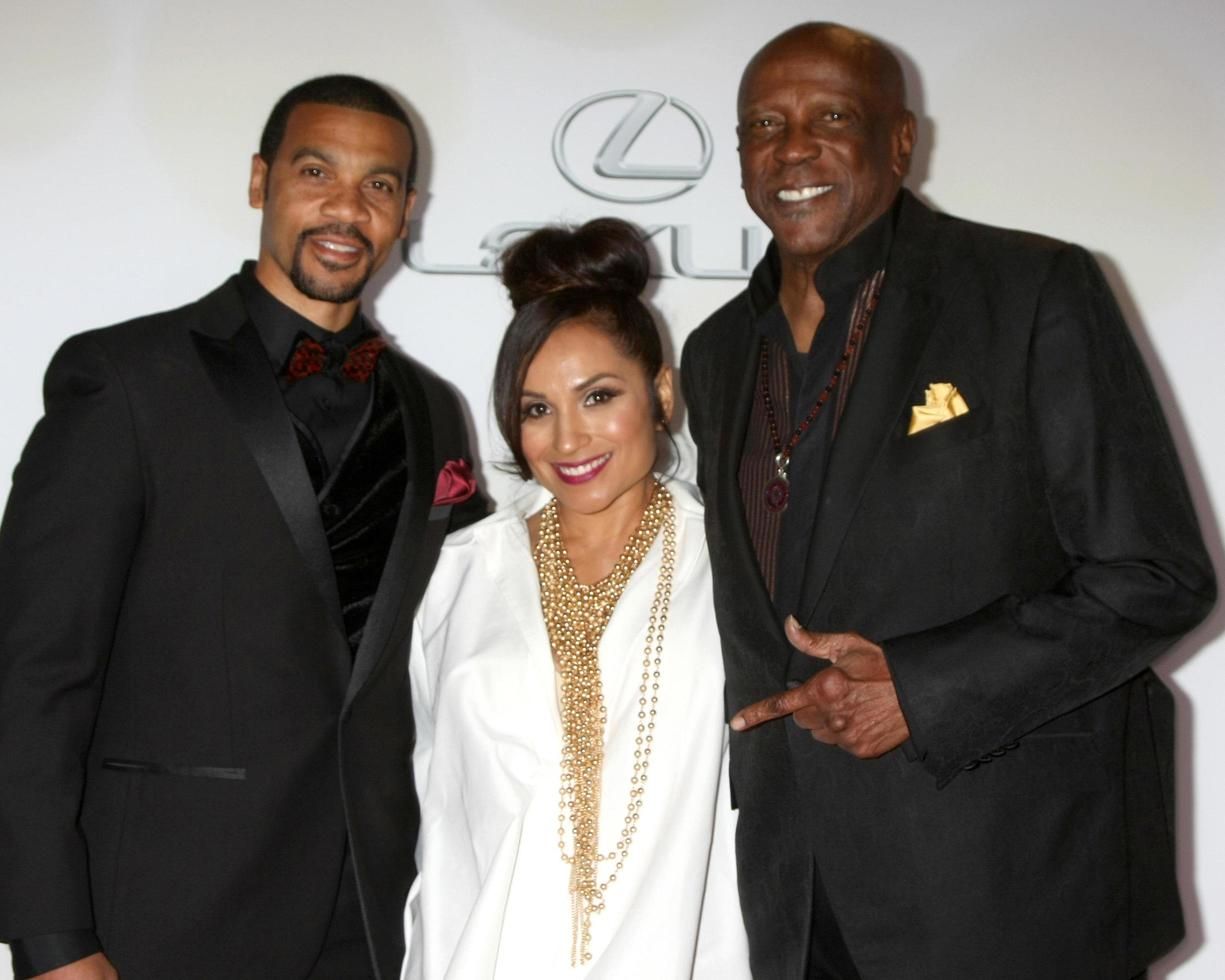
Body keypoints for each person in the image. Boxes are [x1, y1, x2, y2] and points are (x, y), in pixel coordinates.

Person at [680, 21, 1216, 980]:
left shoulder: (1029, 288)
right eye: (763, 124)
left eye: (829, 116)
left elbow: (1157, 576)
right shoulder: (717, 351)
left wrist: (920, 697)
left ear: (899, 141)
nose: (791, 147)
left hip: (1007, 884)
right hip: (799, 893)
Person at [0, 75, 485, 980]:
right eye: (316, 171)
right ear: (260, 179)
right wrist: (51, 939)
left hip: (374, 919)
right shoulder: (125, 379)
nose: (347, 208)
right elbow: (33, 675)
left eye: (378, 185)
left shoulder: (433, 412)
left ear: (407, 211)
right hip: (163, 916)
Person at [404, 218, 750, 978]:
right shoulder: (462, 575)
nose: (568, 440)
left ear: (660, 392)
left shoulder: (734, 565)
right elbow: (439, 826)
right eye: (535, 409)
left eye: (598, 396)